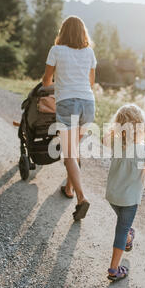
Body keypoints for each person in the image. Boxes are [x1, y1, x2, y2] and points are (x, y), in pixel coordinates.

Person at [42, 16, 97, 221]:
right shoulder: (89, 52)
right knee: (74, 150)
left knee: (69, 155)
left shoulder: (56, 50)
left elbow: (47, 79)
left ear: (62, 32)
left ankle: (81, 198)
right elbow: (91, 82)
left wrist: (51, 87)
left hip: (67, 104)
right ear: (83, 33)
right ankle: (68, 188)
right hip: (88, 105)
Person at [102, 104, 145, 281]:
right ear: (143, 127)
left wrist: (116, 130)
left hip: (113, 196)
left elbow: (106, 138)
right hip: (129, 200)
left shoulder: (115, 144)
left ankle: (128, 237)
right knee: (121, 228)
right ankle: (114, 269)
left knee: (123, 225)